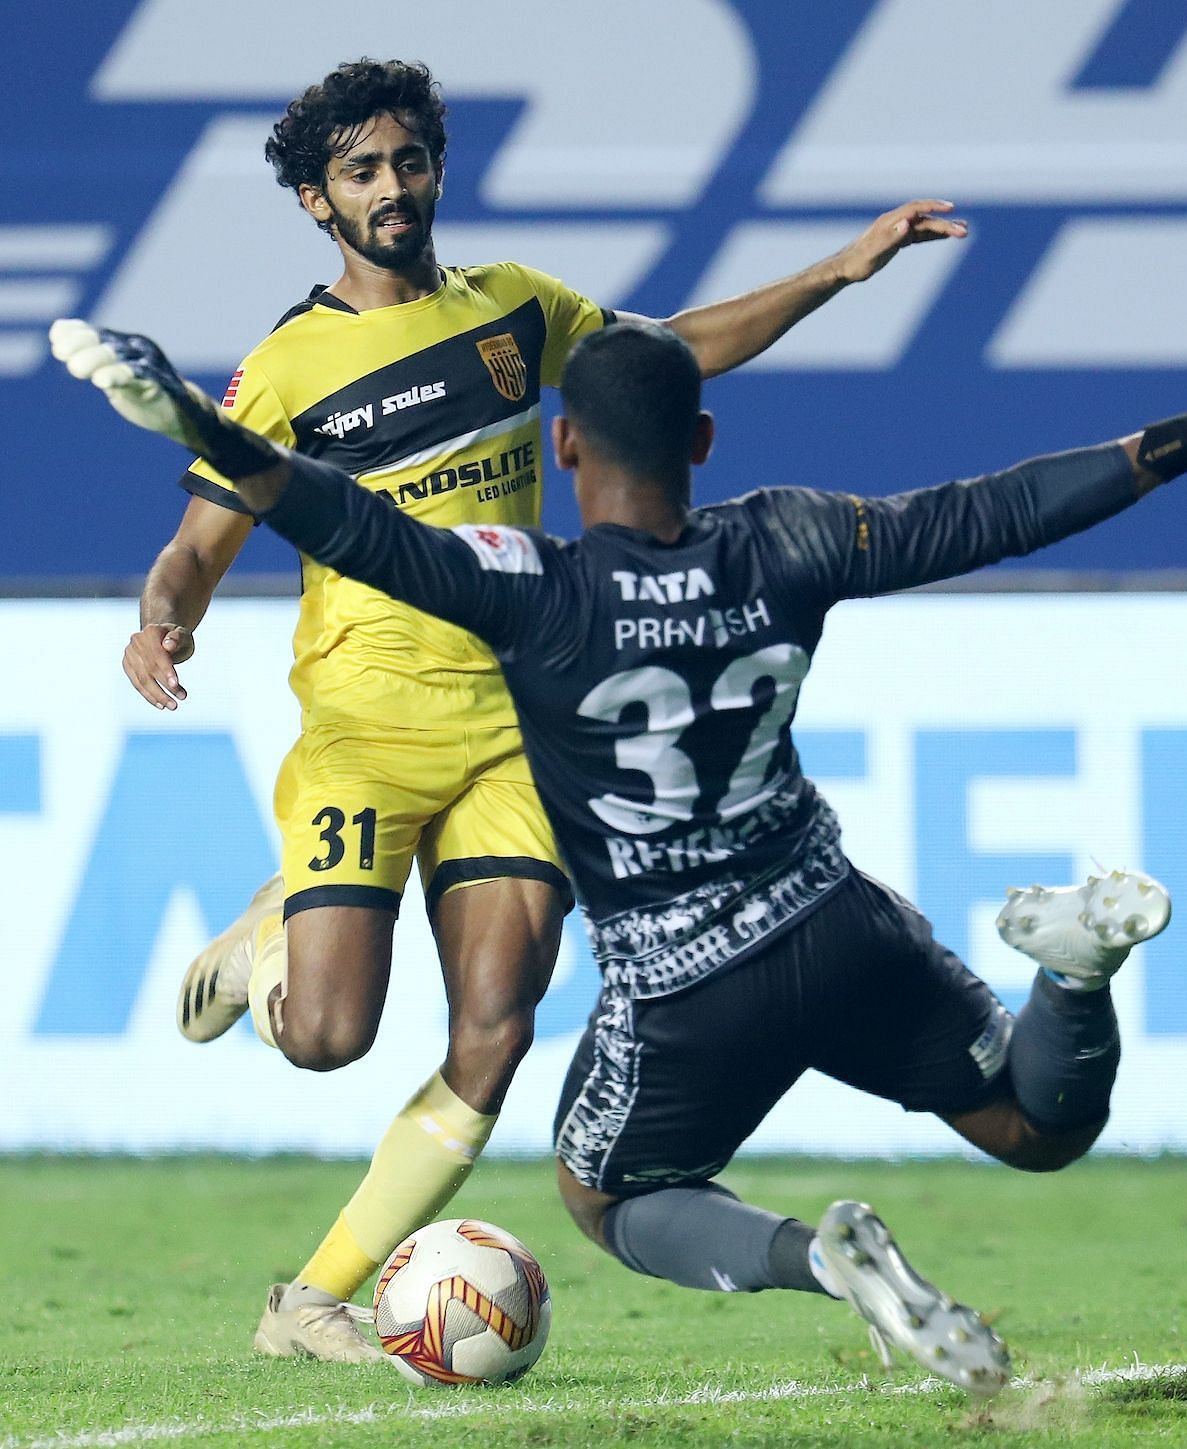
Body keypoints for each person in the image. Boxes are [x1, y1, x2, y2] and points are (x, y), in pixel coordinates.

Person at [53, 316, 1187, 1396]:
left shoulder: (527, 585)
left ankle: (819, 1261)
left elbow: (341, 519)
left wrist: (199, 426)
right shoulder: (787, 537)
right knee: (1030, 1121)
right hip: (840, 921)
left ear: (562, 446)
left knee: (599, 1188)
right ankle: (1071, 974)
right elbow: (994, 511)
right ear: (704, 443)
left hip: (685, 981)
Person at [118, 59, 970, 1360]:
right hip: (367, 724)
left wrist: (837, 273)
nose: (392, 189)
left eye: (408, 162)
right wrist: (165, 611)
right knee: (328, 1039)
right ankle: (272, 927)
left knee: (497, 1023)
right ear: (314, 202)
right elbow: (201, 536)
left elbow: (667, 357)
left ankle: (312, 1298)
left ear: (436, 169)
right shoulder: (289, 366)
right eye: (361, 172)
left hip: (514, 718)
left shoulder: (516, 310)